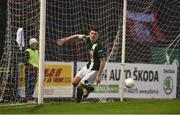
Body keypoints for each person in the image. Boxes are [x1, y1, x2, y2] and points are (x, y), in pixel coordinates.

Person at [57, 27, 107, 103]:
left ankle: (78, 103)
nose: (93, 35)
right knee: (74, 82)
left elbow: (103, 61)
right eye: (92, 33)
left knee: (79, 86)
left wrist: (99, 75)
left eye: (95, 34)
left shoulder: (99, 46)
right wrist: (65, 40)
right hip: (87, 66)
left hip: (94, 70)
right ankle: (88, 89)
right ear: (89, 33)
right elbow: (77, 36)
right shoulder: (87, 39)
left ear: (98, 36)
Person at [23, 38, 39, 103]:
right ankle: (28, 97)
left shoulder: (37, 51)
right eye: (33, 44)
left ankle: (30, 97)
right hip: (30, 69)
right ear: (30, 44)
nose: (35, 45)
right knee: (29, 83)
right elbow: (25, 61)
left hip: (35, 70)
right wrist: (30, 66)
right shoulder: (28, 51)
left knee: (33, 84)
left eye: (36, 44)